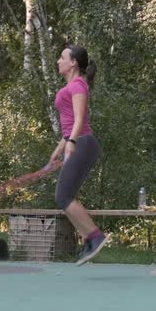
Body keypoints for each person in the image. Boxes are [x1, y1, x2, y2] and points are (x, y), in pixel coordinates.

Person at [48, 45, 109, 266]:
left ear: (73, 62)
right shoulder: (71, 86)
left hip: (83, 143)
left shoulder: (78, 85)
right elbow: (68, 128)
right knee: (63, 197)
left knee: (63, 196)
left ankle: (95, 236)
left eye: (62, 57)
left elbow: (80, 119)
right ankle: (90, 239)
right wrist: (58, 150)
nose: (58, 61)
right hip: (77, 142)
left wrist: (72, 142)